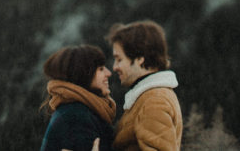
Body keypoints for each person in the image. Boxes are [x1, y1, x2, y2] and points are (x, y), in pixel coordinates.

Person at [108, 20, 183, 151]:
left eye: (119, 59)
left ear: (140, 59)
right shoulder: (147, 98)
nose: (114, 67)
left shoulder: (153, 102)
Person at [39, 45, 116, 151]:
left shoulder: (75, 111)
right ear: (84, 74)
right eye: (101, 69)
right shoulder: (77, 117)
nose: (109, 73)